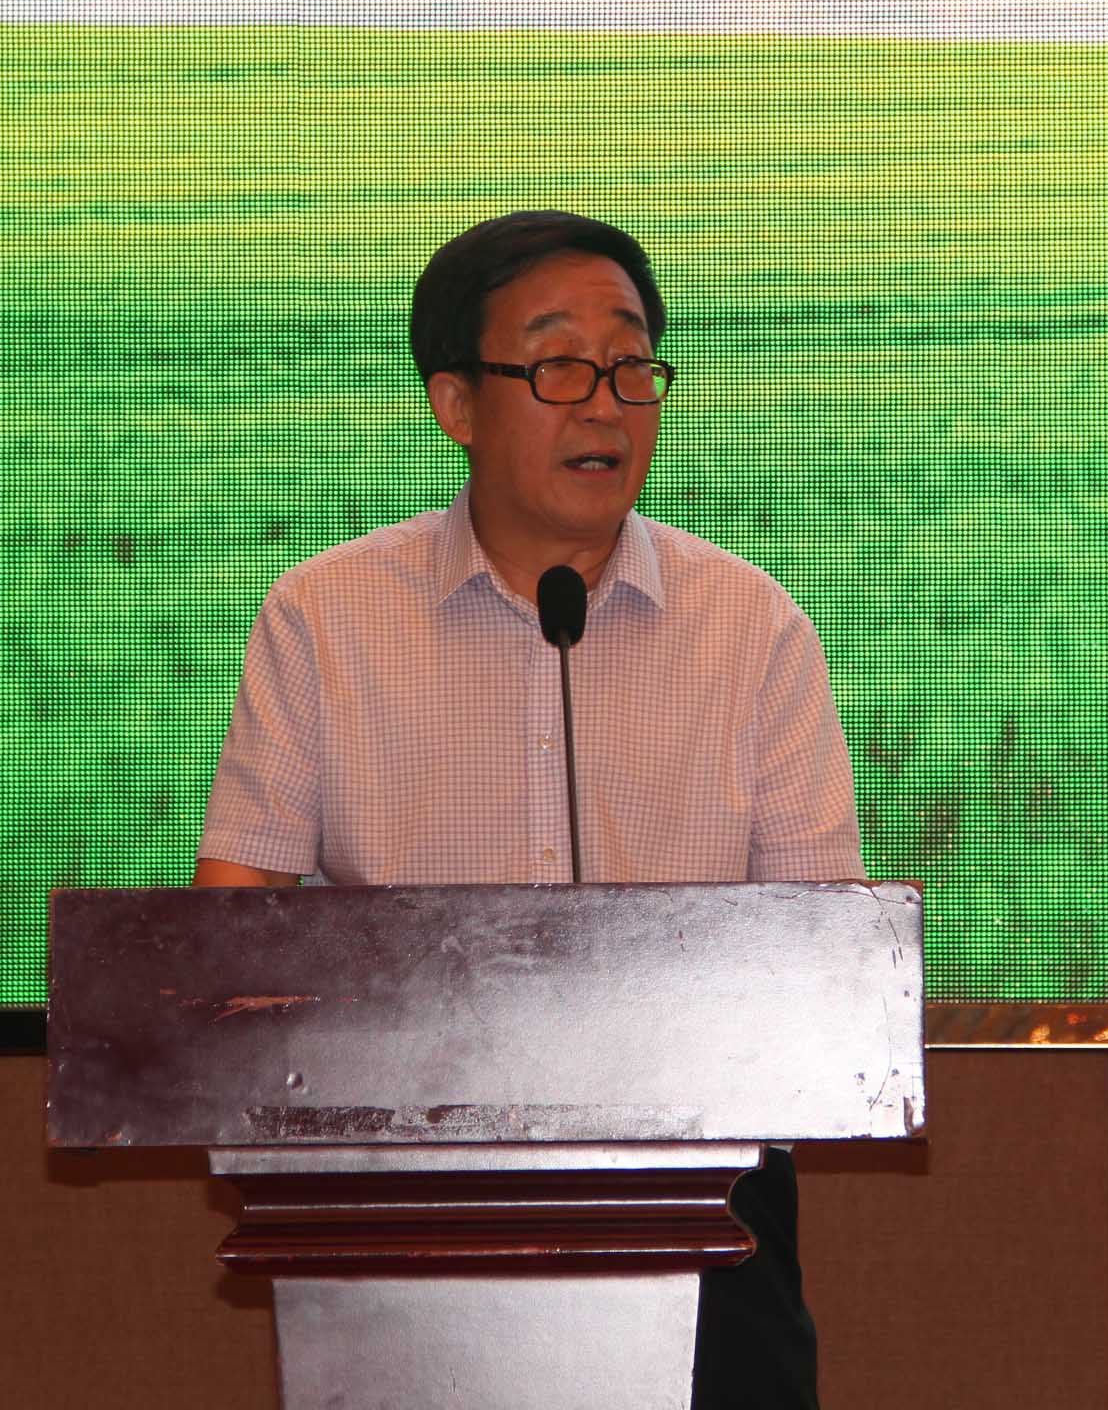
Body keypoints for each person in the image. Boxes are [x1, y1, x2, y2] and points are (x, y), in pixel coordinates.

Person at [195, 209, 863, 1408]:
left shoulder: (754, 630)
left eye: (631, 363)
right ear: (456, 401)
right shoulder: (325, 621)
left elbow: (825, 964)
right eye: (558, 365)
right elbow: (226, 941)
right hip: (397, 1206)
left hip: (704, 1209)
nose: (605, 403)